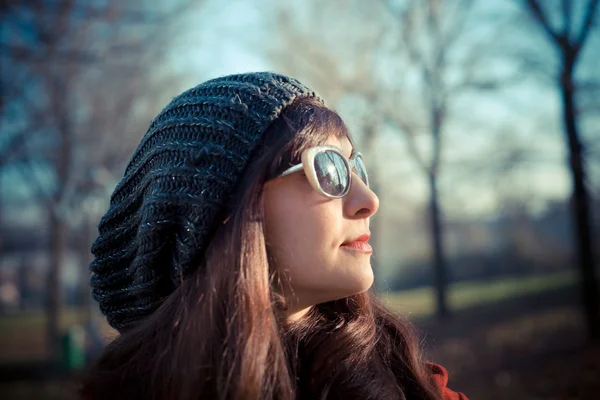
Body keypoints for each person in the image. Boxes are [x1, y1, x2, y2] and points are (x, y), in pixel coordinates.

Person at [79, 72, 467, 400]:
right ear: (224, 216)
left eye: (354, 167)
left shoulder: (414, 386)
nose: (369, 200)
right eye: (329, 169)